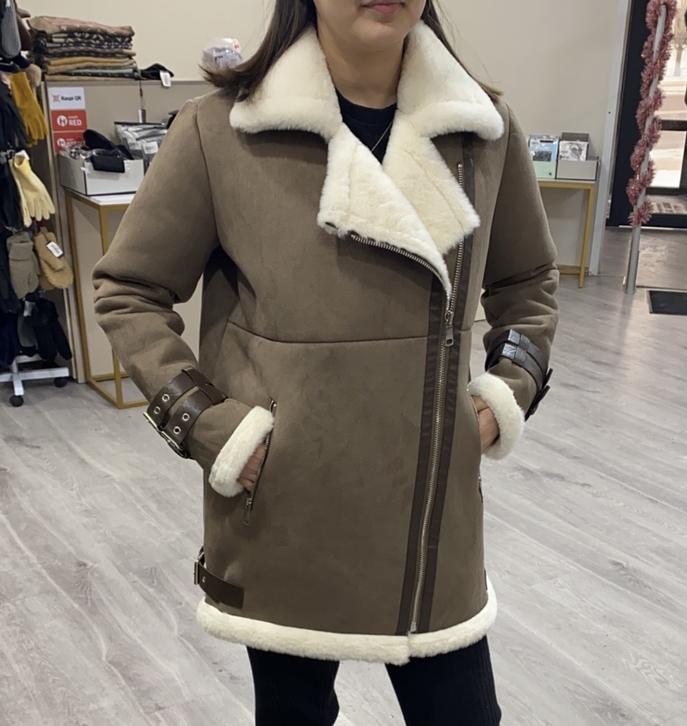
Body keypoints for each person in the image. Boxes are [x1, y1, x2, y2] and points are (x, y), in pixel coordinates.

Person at [92, 1, 559, 723]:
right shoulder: (221, 129)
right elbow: (129, 290)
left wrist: (506, 394)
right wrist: (208, 426)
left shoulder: (483, 130)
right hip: (285, 505)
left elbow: (528, 283)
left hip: (432, 514)